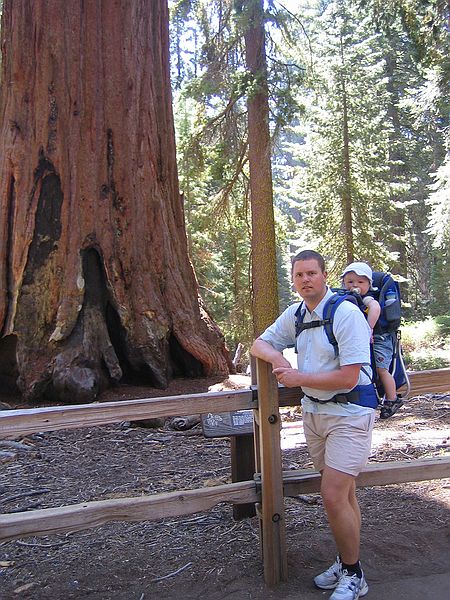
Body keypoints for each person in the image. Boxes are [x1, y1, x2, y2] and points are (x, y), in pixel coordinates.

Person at [251, 249, 376, 600]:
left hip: (350, 414)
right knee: (345, 494)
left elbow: (350, 377)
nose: (305, 280)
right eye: (299, 275)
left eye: (311, 273)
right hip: (315, 414)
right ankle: (346, 559)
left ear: (324, 275)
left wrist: (298, 377)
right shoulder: (297, 314)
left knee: (332, 494)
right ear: (293, 280)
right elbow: (258, 343)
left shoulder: (346, 314)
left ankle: (353, 574)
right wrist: (277, 356)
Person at [341, 261, 402, 418]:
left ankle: (392, 398)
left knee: (381, 370)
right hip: (365, 339)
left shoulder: (368, 298)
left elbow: (375, 309)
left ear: (369, 284)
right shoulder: (346, 298)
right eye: (350, 282)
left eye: (361, 282)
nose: (355, 285)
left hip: (379, 338)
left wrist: (368, 330)